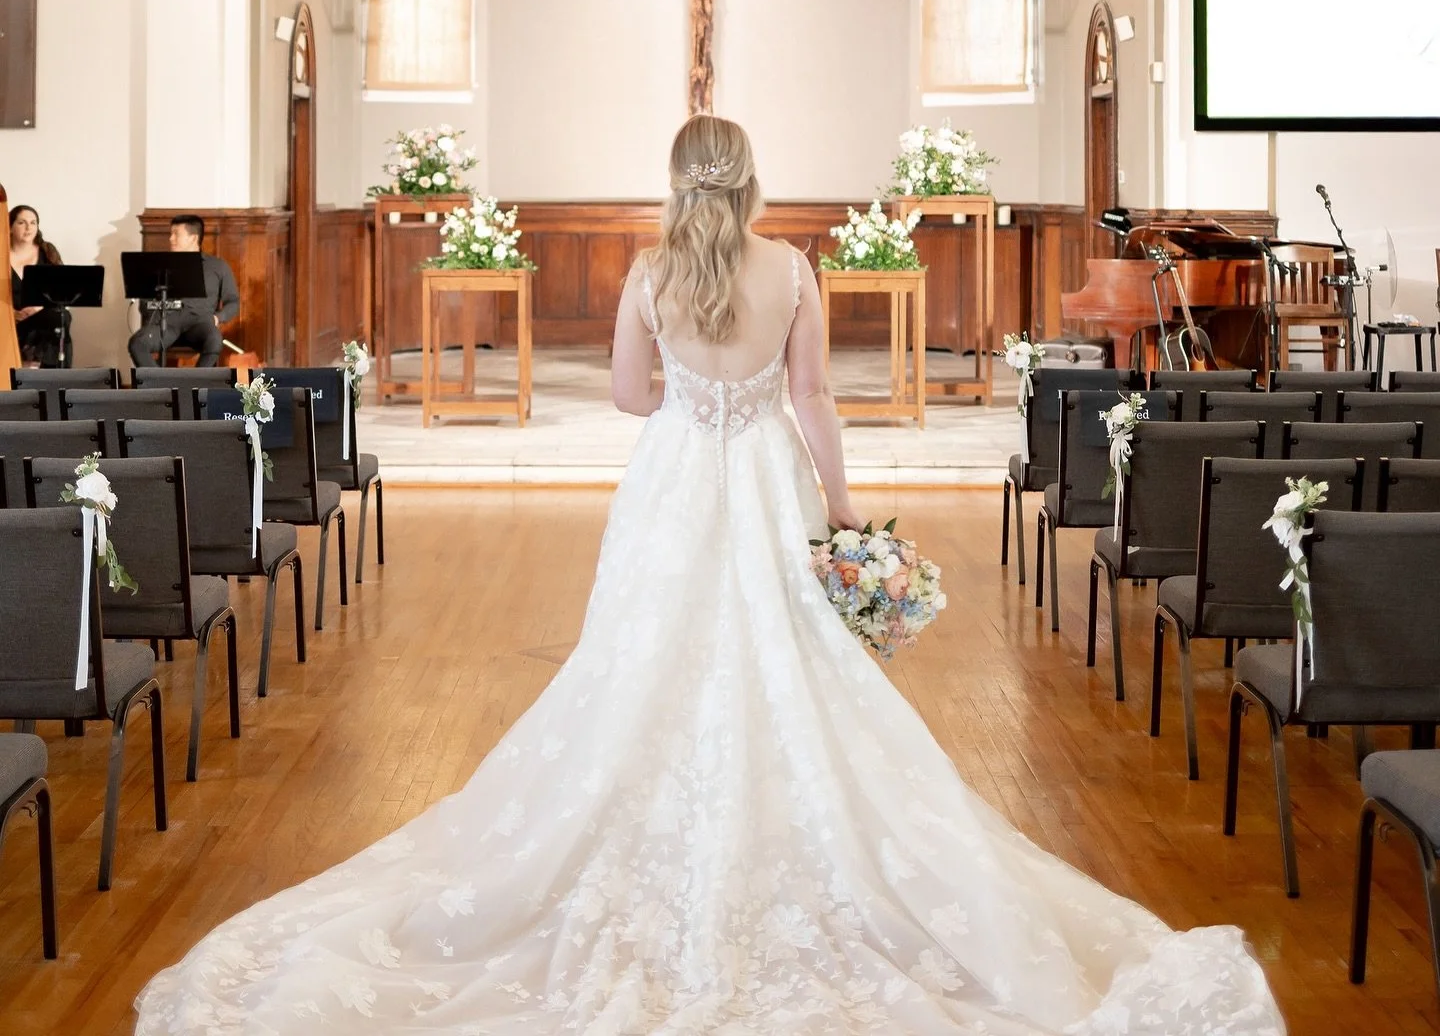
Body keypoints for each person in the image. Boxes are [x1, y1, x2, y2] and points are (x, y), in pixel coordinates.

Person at [134, 117, 1283, 1035]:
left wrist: (689, 391)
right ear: (752, 181)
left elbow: (632, 400)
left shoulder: (647, 275)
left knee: (641, 663)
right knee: (794, 661)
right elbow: (814, 397)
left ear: (682, 183)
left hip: (679, 484)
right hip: (768, 484)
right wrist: (839, 506)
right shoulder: (793, 268)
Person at [128, 215, 240, 368]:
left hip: (200, 324)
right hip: (167, 325)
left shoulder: (218, 266)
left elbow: (233, 301)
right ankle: (159, 386)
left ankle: (195, 386)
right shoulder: (160, 267)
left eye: (176, 234)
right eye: (170, 234)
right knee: (137, 343)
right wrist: (153, 312)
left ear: (193, 238)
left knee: (214, 340)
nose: (171, 239)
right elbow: (145, 303)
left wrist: (218, 317)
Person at [8, 205, 71, 367]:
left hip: (43, 314)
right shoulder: (1, 255)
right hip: (12, 319)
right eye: (21, 222)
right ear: (10, 227)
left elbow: (62, 288)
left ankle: (52, 374)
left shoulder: (47, 251)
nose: (28, 227)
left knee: (61, 317)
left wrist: (37, 308)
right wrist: (10, 314)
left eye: (33, 222)